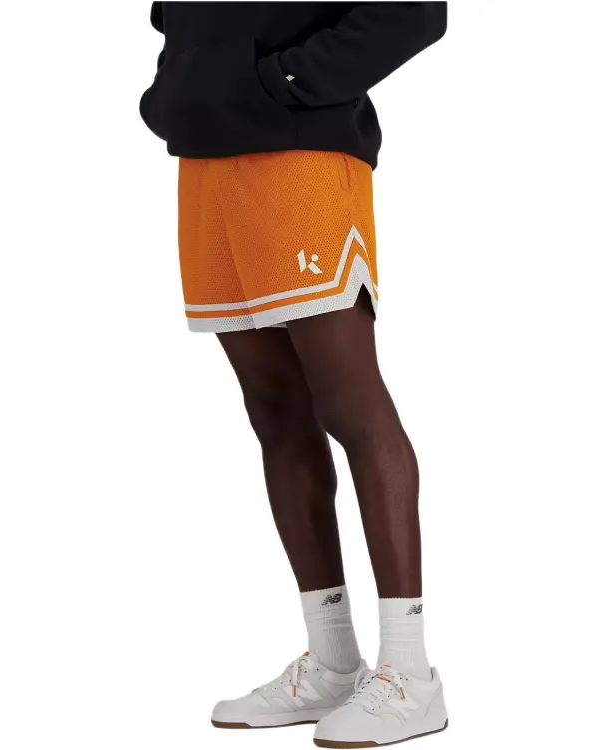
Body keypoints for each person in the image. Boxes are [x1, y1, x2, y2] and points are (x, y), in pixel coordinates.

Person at [140, 3, 448, 746]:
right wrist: (174, 90)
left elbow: (415, 11)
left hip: (301, 154)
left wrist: (282, 80)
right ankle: (334, 662)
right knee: (274, 411)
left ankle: (410, 675)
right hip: (206, 163)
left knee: (350, 405)